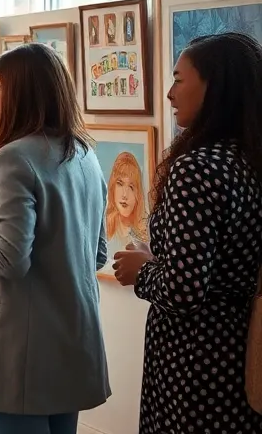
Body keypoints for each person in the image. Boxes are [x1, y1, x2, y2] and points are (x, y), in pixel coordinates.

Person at [0, 43, 110, 433]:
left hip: (16, 348)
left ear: (23, 90)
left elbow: (9, 260)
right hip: (71, 339)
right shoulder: (85, 154)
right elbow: (98, 253)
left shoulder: (14, 156)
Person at [112, 32, 262, 433]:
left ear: (213, 86)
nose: (169, 93)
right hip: (239, 349)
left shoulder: (197, 168)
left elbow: (183, 290)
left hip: (196, 358)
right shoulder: (247, 158)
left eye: (179, 79)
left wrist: (141, 270)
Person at [102, 151, 149, 270]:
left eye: (131, 187)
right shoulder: (102, 227)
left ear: (138, 193)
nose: (124, 195)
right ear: (112, 187)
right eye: (120, 183)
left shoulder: (145, 233)